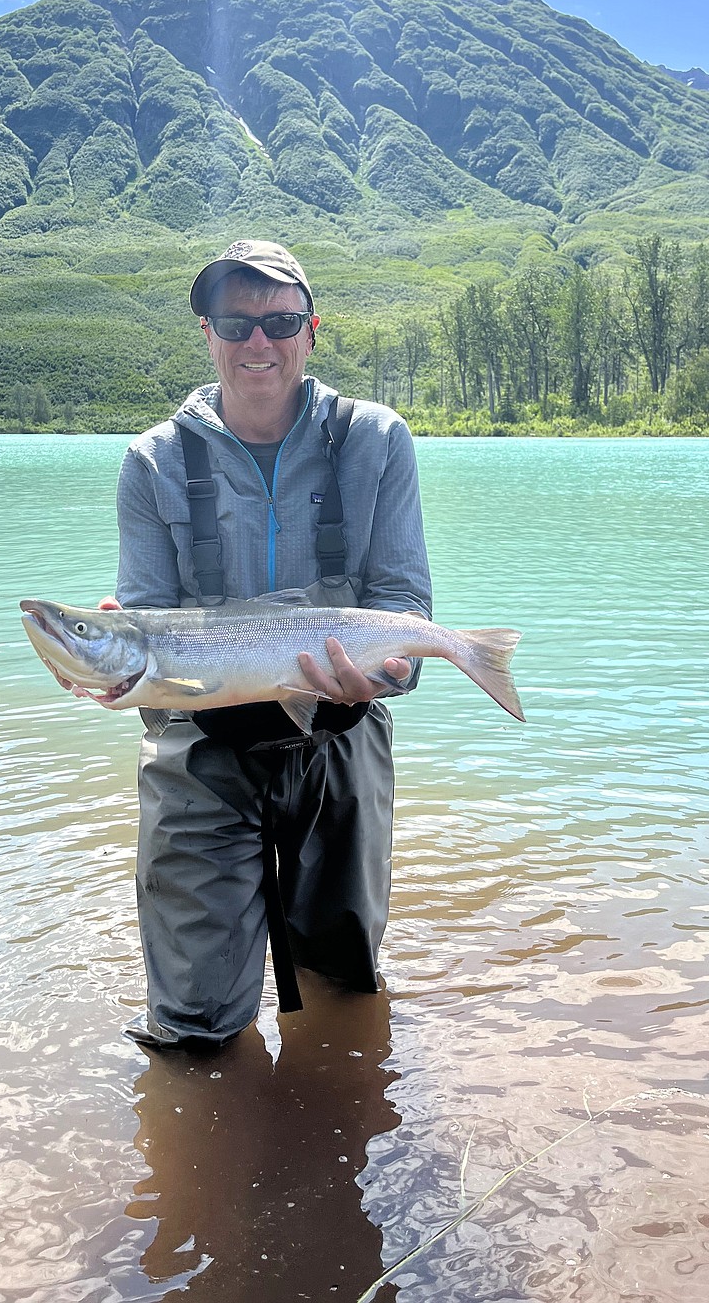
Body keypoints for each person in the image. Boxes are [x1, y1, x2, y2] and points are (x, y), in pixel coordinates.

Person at [105, 239, 432, 1048]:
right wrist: (121, 668)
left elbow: (403, 605)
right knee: (191, 1027)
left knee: (345, 978)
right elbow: (148, 618)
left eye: (280, 321)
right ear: (208, 335)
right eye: (236, 323)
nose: (259, 343)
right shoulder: (152, 461)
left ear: (311, 331)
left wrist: (384, 678)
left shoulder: (377, 440)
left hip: (341, 732)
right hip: (200, 748)